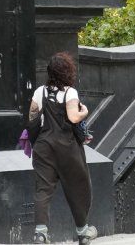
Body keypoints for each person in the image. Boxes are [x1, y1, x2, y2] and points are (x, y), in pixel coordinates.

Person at [28, 52, 97, 244]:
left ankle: (40, 233)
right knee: (79, 187)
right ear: (68, 72)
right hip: (67, 148)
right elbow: (74, 117)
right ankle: (83, 232)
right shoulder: (70, 92)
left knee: (43, 189)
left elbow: (32, 118)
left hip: (44, 146)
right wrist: (85, 112)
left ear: (50, 72)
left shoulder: (40, 91)